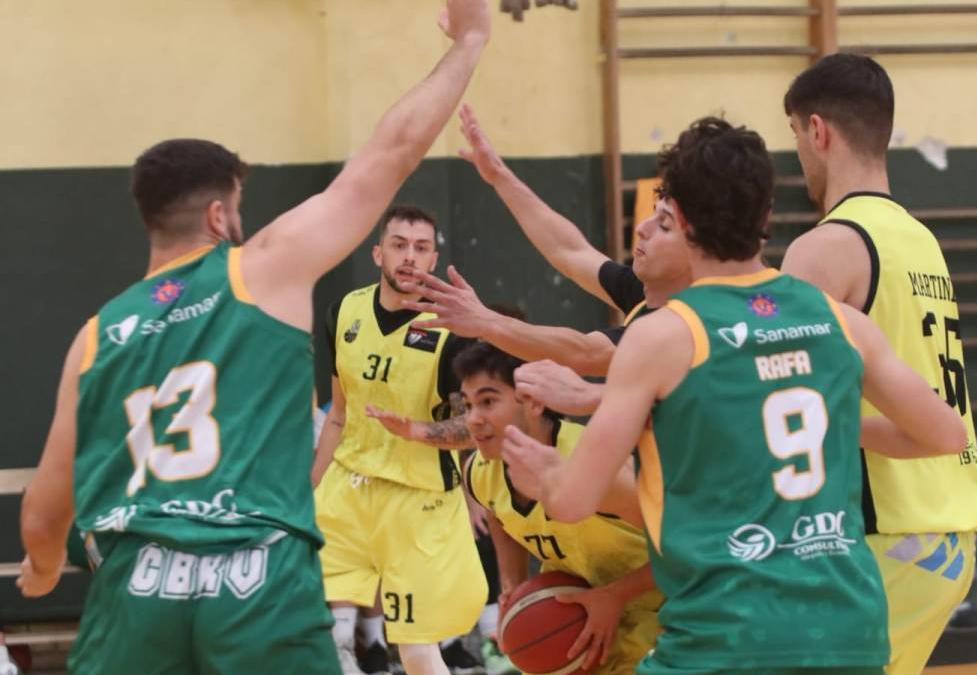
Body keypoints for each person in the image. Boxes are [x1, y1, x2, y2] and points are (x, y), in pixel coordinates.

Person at [16, 3, 491, 674]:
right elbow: (394, 150)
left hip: (136, 590)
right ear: (219, 213)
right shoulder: (261, 269)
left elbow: (44, 510)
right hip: (256, 579)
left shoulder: (96, 336)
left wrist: (40, 571)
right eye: (237, 208)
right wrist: (471, 40)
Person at [502, 117, 969, 674]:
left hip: (727, 638)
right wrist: (829, 422)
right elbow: (945, 434)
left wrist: (546, 473)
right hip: (849, 633)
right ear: (766, 216)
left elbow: (575, 500)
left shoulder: (662, 336)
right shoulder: (838, 320)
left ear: (683, 220)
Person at [778, 53, 977, 675]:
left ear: (818, 131)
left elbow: (778, 406)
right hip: (943, 532)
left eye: (796, 135)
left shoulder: (825, 247)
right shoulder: (919, 239)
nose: (798, 153)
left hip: (889, 533)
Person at [312, 205, 489, 675]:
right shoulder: (343, 311)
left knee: (415, 647)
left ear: (434, 260)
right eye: (399, 244)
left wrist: (418, 431)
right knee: (296, 613)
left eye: (421, 247)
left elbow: (474, 426)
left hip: (417, 502)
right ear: (377, 253)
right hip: (348, 489)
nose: (409, 257)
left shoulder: (454, 330)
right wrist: (307, 493)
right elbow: (338, 416)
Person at [401, 105, 690, 376]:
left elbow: (586, 353)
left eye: (663, 225)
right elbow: (569, 250)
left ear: (699, 247)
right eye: (653, 215)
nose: (642, 228)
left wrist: (486, 322)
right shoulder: (647, 292)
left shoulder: (681, 323)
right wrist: (499, 176)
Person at [449, 340, 661, 673]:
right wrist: (513, 585)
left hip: (663, 614)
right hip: (579, 616)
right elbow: (497, 514)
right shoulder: (479, 472)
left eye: (488, 401)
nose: (473, 420)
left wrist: (616, 596)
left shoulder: (598, 467)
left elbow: (690, 547)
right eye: (467, 405)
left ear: (533, 402)